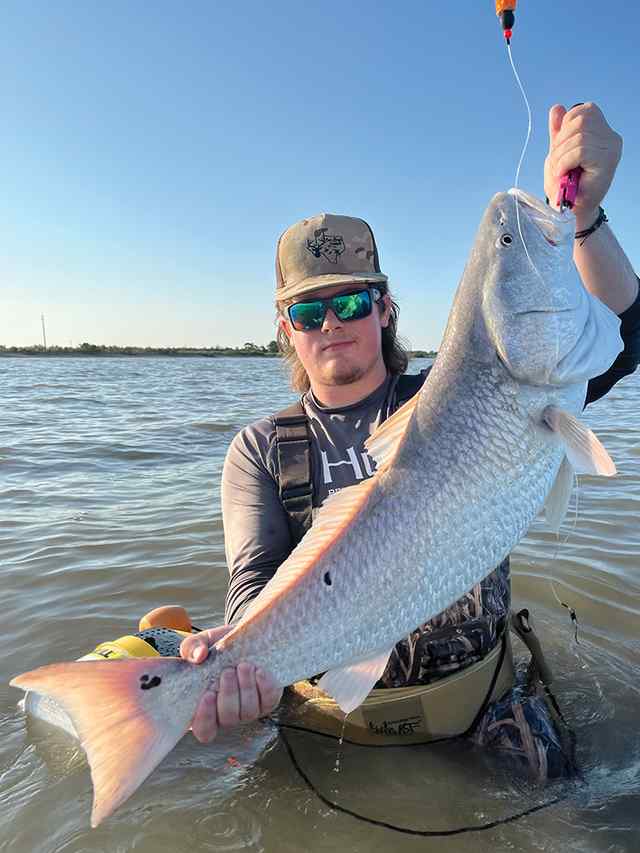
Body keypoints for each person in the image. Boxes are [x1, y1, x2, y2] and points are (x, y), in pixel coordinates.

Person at [180, 103, 640, 771]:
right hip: (330, 724)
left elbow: (624, 342)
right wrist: (235, 665)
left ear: (385, 306)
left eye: (352, 301)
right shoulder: (260, 449)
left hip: (483, 708)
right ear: (286, 330)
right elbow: (252, 586)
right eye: (309, 310)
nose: (331, 322)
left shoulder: (456, 395)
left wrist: (585, 216)